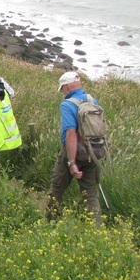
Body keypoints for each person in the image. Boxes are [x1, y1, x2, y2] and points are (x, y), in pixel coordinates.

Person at [46, 71, 103, 226]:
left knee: (56, 189)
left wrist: (71, 162)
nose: (62, 92)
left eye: (62, 89)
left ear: (66, 86)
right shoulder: (92, 100)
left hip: (73, 152)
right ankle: (97, 229)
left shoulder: (67, 104)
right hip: (93, 151)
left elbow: (71, 133)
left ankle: (52, 222)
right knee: (90, 193)